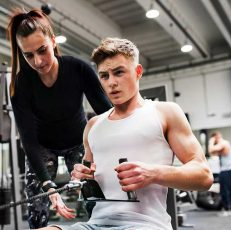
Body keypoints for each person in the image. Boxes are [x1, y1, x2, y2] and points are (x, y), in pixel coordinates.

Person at [42, 37, 213, 230]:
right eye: (104, 76)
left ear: (138, 72)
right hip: (96, 225)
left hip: (144, 225)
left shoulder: (165, 112)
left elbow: (204, 176)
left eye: (119, 72)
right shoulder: (93, 125)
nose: (111, 82)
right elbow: (88, 180)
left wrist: (154, 173)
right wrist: (81, 178)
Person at [6, 8, 112, 228]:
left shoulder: (79, 69)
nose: (37, 61)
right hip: (43, 146)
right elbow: (28, 140)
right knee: (37, 205)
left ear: (53, 41)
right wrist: (48, 186)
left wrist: (99, 157)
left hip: (79, 142)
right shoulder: (22, 84)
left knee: (97, 201)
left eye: (42, 50)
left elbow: (106, 115)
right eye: (28, 55)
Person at [208, 131, 231, 216]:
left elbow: (210, 150)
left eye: (214, 139)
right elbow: (213, 153)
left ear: (216, 137)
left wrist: (211, 141)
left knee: (224, 191)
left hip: (226, 170)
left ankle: (227, 210)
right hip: (230, 169)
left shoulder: (223, 143)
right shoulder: (225, 144)